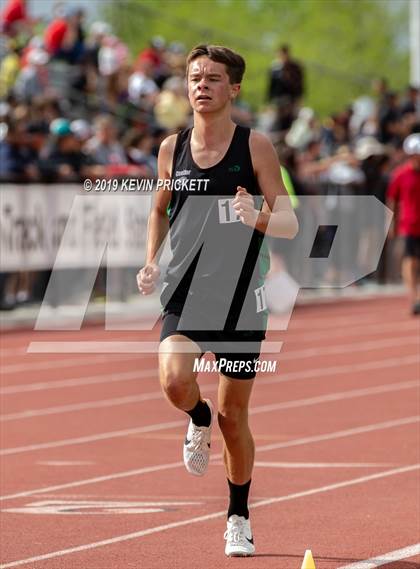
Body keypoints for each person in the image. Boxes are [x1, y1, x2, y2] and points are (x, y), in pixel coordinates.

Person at [137, 44, 298, 557]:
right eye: (194, 78)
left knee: (235, 419)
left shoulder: (255, 148)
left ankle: (238, 515)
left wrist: (256, 217)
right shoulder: (171, 148)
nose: (201, 85)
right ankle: (196, 418)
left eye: (212, 78)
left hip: (240, 298)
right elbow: (158, 209)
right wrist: (152, 259)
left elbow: (291, 222)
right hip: (185, 288)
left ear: (234, 88)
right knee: (175, 379)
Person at [387, 132, 420, 315]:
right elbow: (391, 200)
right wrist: (390, 224)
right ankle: (414, 296)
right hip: (409, 224)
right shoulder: (400, 175)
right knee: (410, 260)